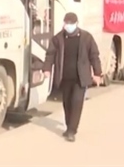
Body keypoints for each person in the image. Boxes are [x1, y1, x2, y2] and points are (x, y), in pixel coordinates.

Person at [42, 12, 103, 142]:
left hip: (80, 78)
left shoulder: (86, 38)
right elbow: (50, 54)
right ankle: (69, 126)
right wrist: (47, 68)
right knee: (67, 104)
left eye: (70, 23)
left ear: (76, 24)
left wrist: (97, 73)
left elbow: (94, 56)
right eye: (66, 23)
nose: (68, 26)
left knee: (77, 103)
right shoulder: (58, 39)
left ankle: (72, 130)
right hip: (64, 77)